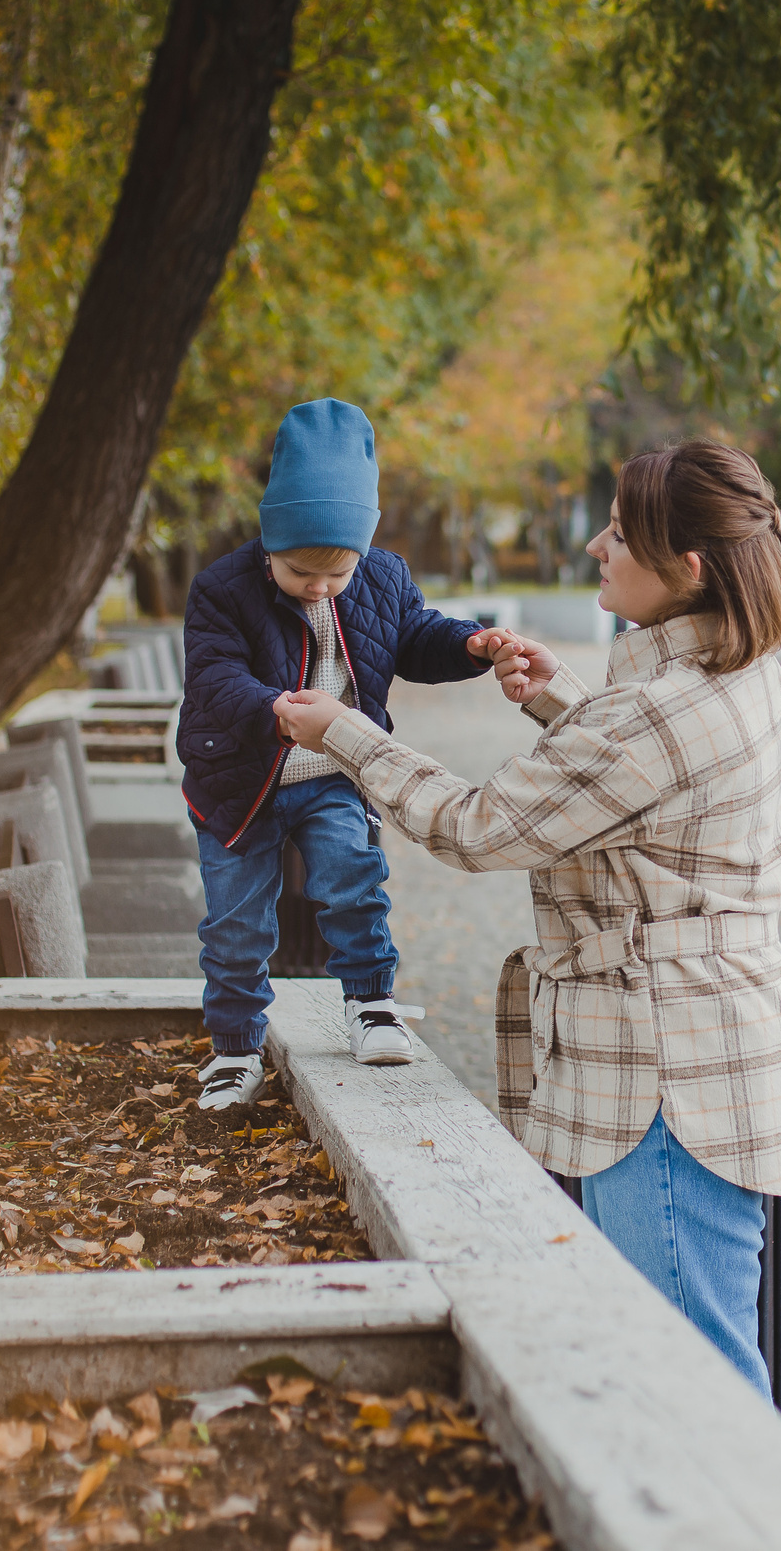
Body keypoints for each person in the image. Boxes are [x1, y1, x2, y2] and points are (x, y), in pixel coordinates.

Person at [274, 439, 781, 1393]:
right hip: (707, 1047)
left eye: (620, 532)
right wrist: (562, 699)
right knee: (690, 1356)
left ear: (685, 569)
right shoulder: (739, 670)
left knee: (695, 1377)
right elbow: (647, 779)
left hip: (662, 1074)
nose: (599, 544)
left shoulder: (653, 716)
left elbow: (480, 827)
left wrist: (345, 734)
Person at [178, 398, 521, 1107]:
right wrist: (268, 709)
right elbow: (214, 678)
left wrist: (470, 645)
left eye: (337, 573)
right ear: (270, 542)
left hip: (335, 769)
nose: (321, 588)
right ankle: (235, 1046)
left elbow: (415, 636)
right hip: (241, 778)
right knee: (238, 921)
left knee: (352, 878)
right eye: (302, 571)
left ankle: (370, 1001)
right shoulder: (221, 590)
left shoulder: (381, 578)